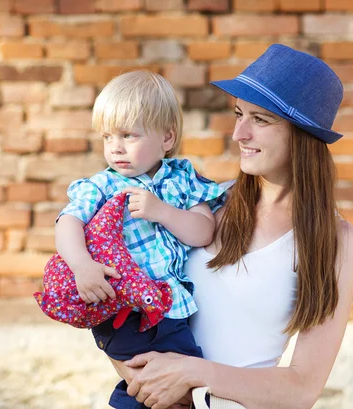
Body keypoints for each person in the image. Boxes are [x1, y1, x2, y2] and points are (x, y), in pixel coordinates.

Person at [109, 44, 353, 409]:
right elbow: (117, 293)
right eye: (238, 114)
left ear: (303, 136)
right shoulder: (202, 203)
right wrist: (141, 378)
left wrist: (193, 375)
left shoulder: (338, 242)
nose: (238, 134)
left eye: (259, 120)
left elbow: (302, 388)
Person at [55, 70, 227, 409]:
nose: (115, 148)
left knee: (182, 385)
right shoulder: (103, 186)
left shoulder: (182, 180)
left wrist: (162, 211)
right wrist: (82, 265)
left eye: (128, 135)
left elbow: (203, 230)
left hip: (171, 310)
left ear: (166, 138)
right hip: (126, 310)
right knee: (160, 384)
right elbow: (68, 221)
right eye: (107, 137)